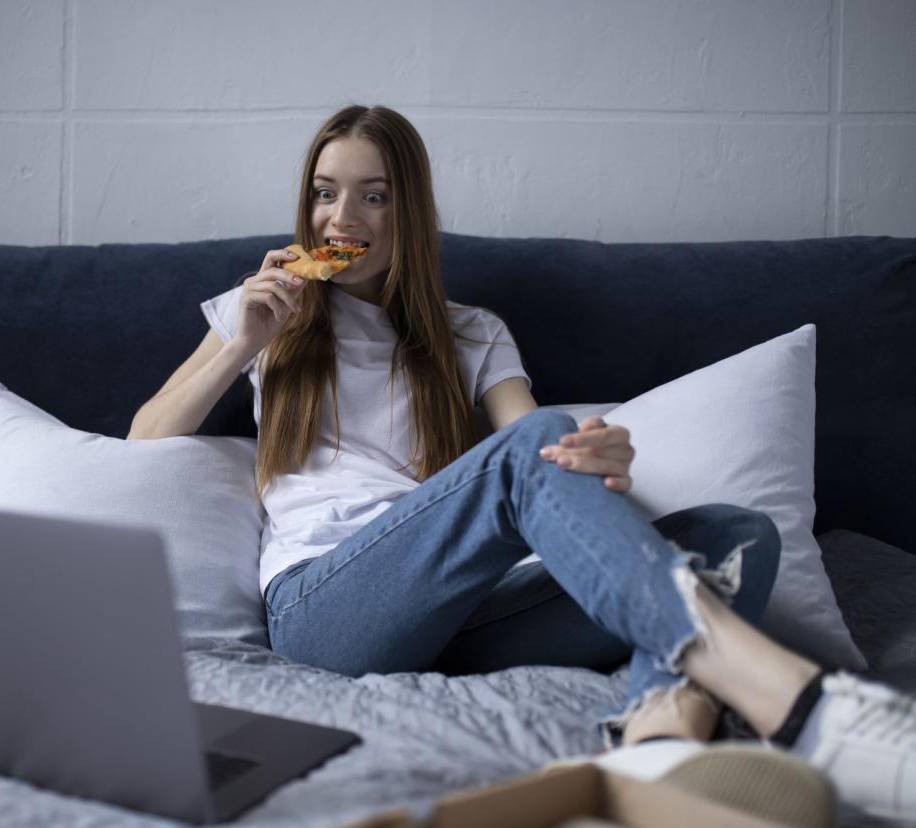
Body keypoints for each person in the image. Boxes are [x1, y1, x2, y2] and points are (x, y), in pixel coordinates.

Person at [128, 104, 915, 820]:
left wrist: (594, 450)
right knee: (528, 448)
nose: (344, 217)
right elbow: (145, 441)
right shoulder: (264, 311)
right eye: (325, 194)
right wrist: (243, 346)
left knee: (736, 535)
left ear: (411, 210)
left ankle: (657, 746)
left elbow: (534, 442)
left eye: (374, 195)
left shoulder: (471, 333)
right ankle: (795, 702)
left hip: (460, 612)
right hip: (326, 609)